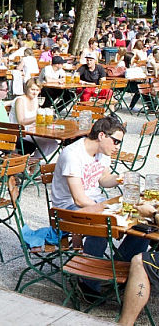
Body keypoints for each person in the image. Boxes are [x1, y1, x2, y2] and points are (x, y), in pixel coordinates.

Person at [52, 117, 148, 296]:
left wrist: (120, 179)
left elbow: (103, 179)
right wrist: (109, 208)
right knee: (102, 226)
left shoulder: (103, 153)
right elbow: (79, 199)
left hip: (95, 203)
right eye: (116, 141)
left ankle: (123, 271)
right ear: (102, 135)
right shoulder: (72, 154)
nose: (117, 146)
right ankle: (88, 283)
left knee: (143, 225)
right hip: (68, 208)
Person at [8, 78, 59, 161]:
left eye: (37, 90)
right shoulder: (20, 100)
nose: (35, 92)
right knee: (45, 144)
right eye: (32, 89)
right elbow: (21, 121)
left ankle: (32, 163)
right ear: (27, 89)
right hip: (19, 132)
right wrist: (37, 118)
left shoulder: (35, 100)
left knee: (54, 143)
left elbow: (37, 120)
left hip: (31, 131)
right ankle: (33, 166)